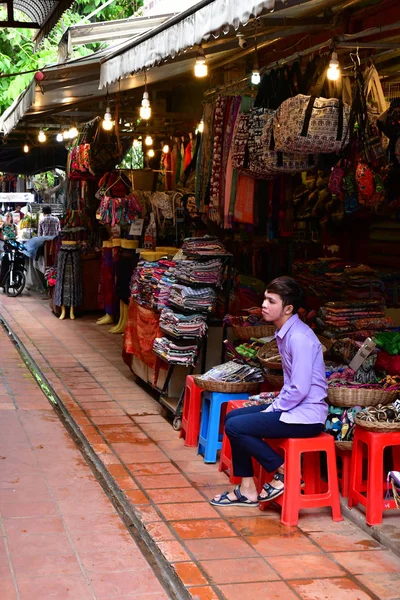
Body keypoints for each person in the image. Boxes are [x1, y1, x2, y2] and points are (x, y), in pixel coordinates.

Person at [211, 276, 328, 508]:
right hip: (294, 408)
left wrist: (274, 407)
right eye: (265, 299)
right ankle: (247, 488)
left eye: (271, 301)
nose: (264, 304)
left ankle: (283, 471)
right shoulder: (286, 332)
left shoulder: (299, 338)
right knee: (233, 417)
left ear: (288, 308)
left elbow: (300, 388)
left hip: (307, 415)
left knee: (236, 427)